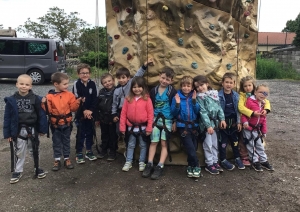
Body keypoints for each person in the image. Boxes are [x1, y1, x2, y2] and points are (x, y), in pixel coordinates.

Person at [3, 74, 48, 184]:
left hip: (32, 129)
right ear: (17, 84)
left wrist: (42, 129)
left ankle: (37, 167)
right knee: (19, 151)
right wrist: (7, 134)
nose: (24, 86)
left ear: (31, 86)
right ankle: (18, 171)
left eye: (27, 84)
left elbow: (41, 115)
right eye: (21, 84)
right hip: (18, 130)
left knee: (35, 149)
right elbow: (7, 117)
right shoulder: (11, 100)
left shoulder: (36, 99)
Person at [42, 72, 82, 171]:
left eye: (67, 83)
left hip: (67, 123)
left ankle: (67, 158)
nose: (67, 86)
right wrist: (44, 103)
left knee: (66, 141)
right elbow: (48, 111)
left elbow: (73, 108)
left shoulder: (69, 95)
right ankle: (57, 159)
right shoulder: (49, 97)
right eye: (64, 84)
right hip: (55, 125)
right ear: (56, 84)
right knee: (56, 142)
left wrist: (77, 102)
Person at [142, 67, 177, 180]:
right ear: (159, 76)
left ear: (171, 81)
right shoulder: (154, 91)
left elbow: (175, 108)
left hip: (167, 120)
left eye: (167, 79)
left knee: (164, 143)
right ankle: (150, 163)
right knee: (153, 141)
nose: (164, 81)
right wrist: (149, 120)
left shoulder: (172, 91)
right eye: (162, 78)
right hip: (155, 119)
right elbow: (150, 106)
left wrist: (174, 121)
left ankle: (160, 165)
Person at [193, 75, 226, 175]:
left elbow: (219, 107)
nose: (200, 88)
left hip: (215, 124)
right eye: (197, 87)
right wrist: (208, 125)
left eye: (201, 85)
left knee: (215, 144)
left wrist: (222, 119)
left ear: (207, 84)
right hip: (206, 126)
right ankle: (209, 163)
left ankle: (215, 161)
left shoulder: (214, 94)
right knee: (208, 144)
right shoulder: (200, 97)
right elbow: (202, 112)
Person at [119, 77, 154, 172]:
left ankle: (142, 161)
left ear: (143, 88)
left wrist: (149, 128)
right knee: (130, 145)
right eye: (134, 87)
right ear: (131, 88)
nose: (137, 89)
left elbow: (151, 114)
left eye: (139, 87)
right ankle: (128, 161)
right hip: (131, 127)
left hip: (143, 127)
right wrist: (122, 127)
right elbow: (123, 113)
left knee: (143, 145)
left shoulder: (147, 99)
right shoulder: (128, 99)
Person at [112, 58, 154, 134]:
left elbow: (138, 74)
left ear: (128, 78)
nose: (121, 80)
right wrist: (114, 114)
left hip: (131, 108)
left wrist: (145, 65)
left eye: (123, 77)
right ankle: (121, 141)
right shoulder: (116, 90)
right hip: (120, 111)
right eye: (119, 78)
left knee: (130, 130)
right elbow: (114, 103)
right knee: (119, 131)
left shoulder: (130, 83)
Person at [171, 76, 201, 178]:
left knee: (193, 147)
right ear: (181, 86)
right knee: (190, 147)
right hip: (182, 126)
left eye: (188, 86)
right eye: (184, 86)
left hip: (194, 126)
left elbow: (198, 111)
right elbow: (173, 112)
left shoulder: (194, 95)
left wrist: (194, 102)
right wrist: (178, 104)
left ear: (192, 87)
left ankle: (190, 166)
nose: (186, 88)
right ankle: (197, 165)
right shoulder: (177, 96)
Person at [238, 76, 271, 166]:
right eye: (245, 86)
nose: (248, 88)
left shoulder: (258, 94)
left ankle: (259, 157)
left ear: (253, 86)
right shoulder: (242, 96)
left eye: (250, 85)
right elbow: (241, 108)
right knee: (245, 141)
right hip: (245, 120)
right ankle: (245, 156)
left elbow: (266, 101)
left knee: (257, 141)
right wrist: (252, 113)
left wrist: (267, 110)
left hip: (257, 122)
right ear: (242, 87)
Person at [218, 73, 245, 171]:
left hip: (233, 123)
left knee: (235, 142)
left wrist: (238, 122)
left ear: (234, 84)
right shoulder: (218, 95)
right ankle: (223, 159)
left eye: (231, 83)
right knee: (223, 143)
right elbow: (217, 109)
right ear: (222, 83)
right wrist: (220, 120)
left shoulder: (236, 96)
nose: (228, 85)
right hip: (223, 123)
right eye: (226, 82)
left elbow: (238, 110)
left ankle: (237, 157)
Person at [72, 63, 98, 163]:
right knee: (80, 133)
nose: (85, 75)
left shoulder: (93, 84)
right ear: (78, 74)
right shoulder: (76, 84)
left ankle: (89, 150)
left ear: (90, 74)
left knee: (90, 132)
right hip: (80, 114)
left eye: (87, 73)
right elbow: (78, 98)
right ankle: (79, 152)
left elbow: (95, 99)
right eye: (82, 73)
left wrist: (90, 110)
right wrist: (84, 111)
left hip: (91, 114)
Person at [96, 73, 117, 161]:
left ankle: (112, 152)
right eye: (105, 82)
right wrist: (97, 118)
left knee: (113, 135)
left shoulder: (117, 91)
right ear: (102, 84)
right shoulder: (101, 92)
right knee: (104, 135)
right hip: (103, 117)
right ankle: (104, 149)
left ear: (113, 80)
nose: (108, 83)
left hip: (112, 118)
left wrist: (116, 116)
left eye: (109, 81)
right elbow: (97, 106)